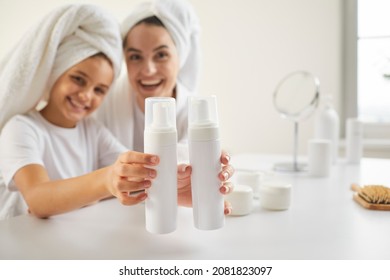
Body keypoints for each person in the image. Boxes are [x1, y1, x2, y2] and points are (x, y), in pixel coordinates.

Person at [0, 4, 157, 219]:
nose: (86, 96)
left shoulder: (92, 130)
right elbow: (38, 199)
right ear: (56, 73)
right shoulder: (21, 128)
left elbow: (131, 175)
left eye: (99, 90)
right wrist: (106, 181)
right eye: (78, 79)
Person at [95, 0, 234, 207]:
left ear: (181, 56)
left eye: (161, 55)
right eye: (135, 57)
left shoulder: (196, 113)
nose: (148, 70)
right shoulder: (103, 104)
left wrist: (214, 173)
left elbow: (199, 175)